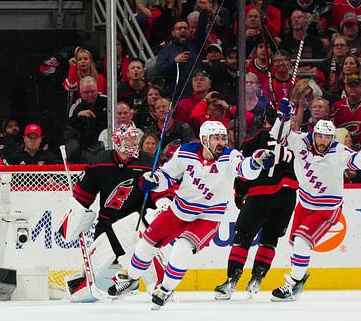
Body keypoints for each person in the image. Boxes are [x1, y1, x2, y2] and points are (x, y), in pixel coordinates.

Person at [107, 121, 276, 309]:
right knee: (147, 242)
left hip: (208, 217)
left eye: (222, 138)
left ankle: (165, 289)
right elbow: (166, 176)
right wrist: (153, 180)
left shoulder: (230, 157)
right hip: (179, 210)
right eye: (215, 138)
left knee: (182, 247)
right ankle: (131, 279)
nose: (221, 142)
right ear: (204, 140)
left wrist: (255, 162)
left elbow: (246, 170)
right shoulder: (186, 152)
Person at [269, 99, 361, 301]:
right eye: (319, 136)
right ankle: (298, 279)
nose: (322, 141)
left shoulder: (338, 151)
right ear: (313, 134)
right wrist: (283, 116)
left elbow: (359, 164)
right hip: (304, 204)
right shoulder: (301, 141)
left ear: (332, 138)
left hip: (327, 209)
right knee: (295, 244)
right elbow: (278, 135)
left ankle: (293, 284)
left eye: (326, 138)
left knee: (302, 242)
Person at [60, 124, 164, 300]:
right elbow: (83, 195)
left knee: (147, 255)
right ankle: (116, 284)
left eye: (134, 139)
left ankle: (160, 287)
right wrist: (76, 215)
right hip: (108, 223)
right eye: (128, 139)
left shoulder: (149, 163)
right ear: (117, 142)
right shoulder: (99, 161)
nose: (132, 143)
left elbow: (161, 191)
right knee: (92, 275)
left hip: (137, 224)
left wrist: (162, 203)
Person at [213, 106, 298, 300]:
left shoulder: (257, 138)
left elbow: (242, 169)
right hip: (288, 195)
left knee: (243, 236)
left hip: (261, 192)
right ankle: (256, 280)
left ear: (265, 119)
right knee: (270, 239)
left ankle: (231, 282)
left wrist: (240, 192)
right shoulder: (295, 140)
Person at [65, 76, 108, 164]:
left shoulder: (107, 101)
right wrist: (78, 115)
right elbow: (68, 126)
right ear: (80, 93)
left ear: (97, 90)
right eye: (86, 92)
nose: (90, 95)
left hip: (106, 139)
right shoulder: (77, 106)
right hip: (84, 144)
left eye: (92, 91)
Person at [330, 73, 361, 147]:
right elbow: (333, 130)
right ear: (346, 88)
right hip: (341, 148)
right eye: (350, 86)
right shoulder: (337, 107)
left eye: (356, 86)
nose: (353, 88)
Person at [145, 97, 195, 161]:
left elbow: (190, 150)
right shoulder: (150, 131)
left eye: (164, 107)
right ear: (154, 113)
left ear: (172, 109)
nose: (162, 110)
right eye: (158, 108)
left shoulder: (184, 128)